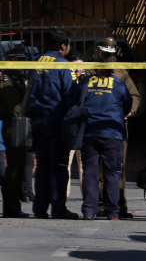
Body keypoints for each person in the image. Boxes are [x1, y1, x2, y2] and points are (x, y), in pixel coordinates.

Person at [87, 37, 141, 219]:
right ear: (98, 54)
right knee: (98, 171)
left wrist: (130, 112)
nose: (111, 58)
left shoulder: (121, 72)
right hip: (94, 126)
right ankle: (100, 206)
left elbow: (134, 95)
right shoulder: (89, 70)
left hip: (116, 127)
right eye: (107, 54)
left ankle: (119, 205)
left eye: (113, 54)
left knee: (118, 169)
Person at [28, 30, 78, 219]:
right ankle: (58, 208)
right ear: (63, 46)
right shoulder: (63, 65)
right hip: (57, 121)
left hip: (38, 120)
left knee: (42, 167)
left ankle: (40, 209)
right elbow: (71, 94)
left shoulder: (37, 62)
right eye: (69, 44)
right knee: (58, 166)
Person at [80, 51, 132, 220]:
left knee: (90, 173)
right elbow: (128, 105)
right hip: (112, 133)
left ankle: (89, 210)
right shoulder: (118, 84)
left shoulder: (85, 82)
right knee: (112, 173)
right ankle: (112, 211)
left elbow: (75, 101)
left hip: (90, 132)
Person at [0, 45, 31, 218]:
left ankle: (15, 205)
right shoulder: (6, 80)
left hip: (21, 127)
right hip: (13, 128)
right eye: (20, 60)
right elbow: (16, 107)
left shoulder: (17, 78)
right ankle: (11, 207)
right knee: (14, 170)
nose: (23, 63)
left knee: (20, 168)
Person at [66, 54, 85, 197]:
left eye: (79, 65)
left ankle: (86, 196)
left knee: (83, 165)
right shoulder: (66, 82)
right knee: (66, 164)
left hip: (83, 127)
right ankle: (64, 195)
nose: (77, 68)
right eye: (74, 65)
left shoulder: (87, 82)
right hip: (68, 126)